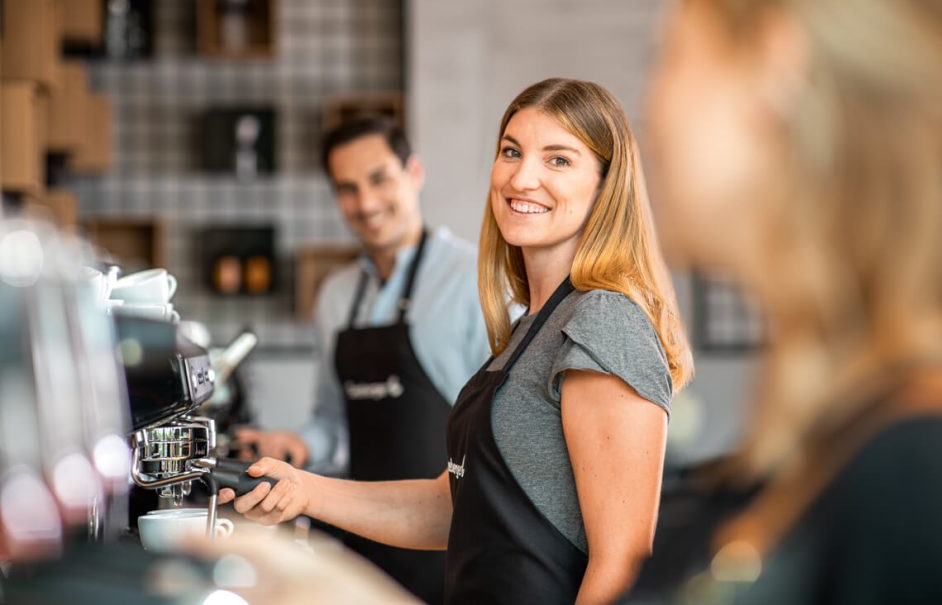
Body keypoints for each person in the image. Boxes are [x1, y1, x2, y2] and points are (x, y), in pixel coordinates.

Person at [219, 78, 694, 603]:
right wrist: (302, 488)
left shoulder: (603, 319)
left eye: (558, 160)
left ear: (606, 186)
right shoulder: (531, 328)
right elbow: (453, 506)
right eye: (511, 152)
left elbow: (622, 561)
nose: (522, 176)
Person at [645, 0, 942, 602]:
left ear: (774, 71)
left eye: (671, 56)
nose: (652, 108)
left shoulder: (932, 472)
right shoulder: (820, 446)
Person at [235, 116, 491, 603]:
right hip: (363, 548)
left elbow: (500, 436)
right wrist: (296, 445)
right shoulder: (335, 296)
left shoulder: (476, 281)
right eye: (347, 189)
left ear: (413, 172)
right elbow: (332, 421)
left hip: (453, 549)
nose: (367, 204)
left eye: (379, 180)